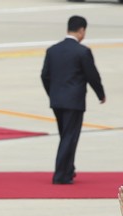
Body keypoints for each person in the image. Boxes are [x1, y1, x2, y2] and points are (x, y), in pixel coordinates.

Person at [41, 15, 106, 185]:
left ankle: (68, 169)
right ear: (82, 30)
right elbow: (92, 75)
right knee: (70, 137)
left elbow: (44, 75)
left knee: (65, 135)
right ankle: (61, 174)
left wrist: (52, 93)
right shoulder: (82, 51)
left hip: (57, 101)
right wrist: (100, 94)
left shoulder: (52, 50)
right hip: (73, 102)